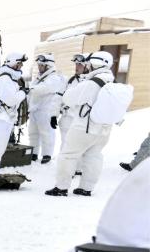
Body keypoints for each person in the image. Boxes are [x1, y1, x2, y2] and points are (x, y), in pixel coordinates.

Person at [46, 51, 117, 197]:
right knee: (94, 156)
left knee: (68, 155)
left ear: (96, 64)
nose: (87, 66)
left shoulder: (92, 83)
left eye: (89, 63)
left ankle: (61, 187)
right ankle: (86, 188)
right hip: (104, 129)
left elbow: (69, 99)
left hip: (84, 127)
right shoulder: (112, 82)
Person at [0, 52, 28, 186]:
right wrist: (22, 93)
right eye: (19, 63)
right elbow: (10, 99)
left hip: (4, 117)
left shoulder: (10, 78)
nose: (20, 66)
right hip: (0, 117)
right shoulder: (5, 79)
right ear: (12, 63)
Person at [26, 53, 66, 164]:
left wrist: (30, 88)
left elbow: (44, 89)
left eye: (41, 65)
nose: (39, 67)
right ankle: (33, 153)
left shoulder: (54, 78)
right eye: (38, 65)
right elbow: (32, 92)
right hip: (34, 110)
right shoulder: (38, 78)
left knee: (46, 134)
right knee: (33, 133)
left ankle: (46, 154)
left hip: (46, 111)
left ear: (48, 66)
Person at [56, 53, 87, 147]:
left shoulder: (91, 83)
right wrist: (54, 115)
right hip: (67, 121)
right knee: (65, 146)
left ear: (87, 66)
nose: (76, 67)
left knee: (79, 148)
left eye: (80, 64)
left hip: (82, 123)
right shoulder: (70, 81)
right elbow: (58, 98)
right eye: (76, 64)